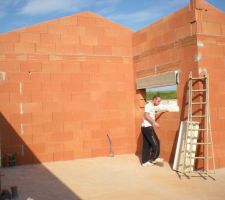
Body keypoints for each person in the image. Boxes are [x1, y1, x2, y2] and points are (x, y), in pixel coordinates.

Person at [141, 95, 167, 167]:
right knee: (156, 143)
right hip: (148, 128)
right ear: (154, 99)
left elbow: (153, 114)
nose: (159, 102)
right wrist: (154, 122)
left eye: (160, 101)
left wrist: (161, 111)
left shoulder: (152, 106)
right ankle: (153, 159)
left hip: (145, 127)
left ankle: (144, 162)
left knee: (146, 145)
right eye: (158, 101)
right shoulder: (148, 105)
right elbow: (146, 115)